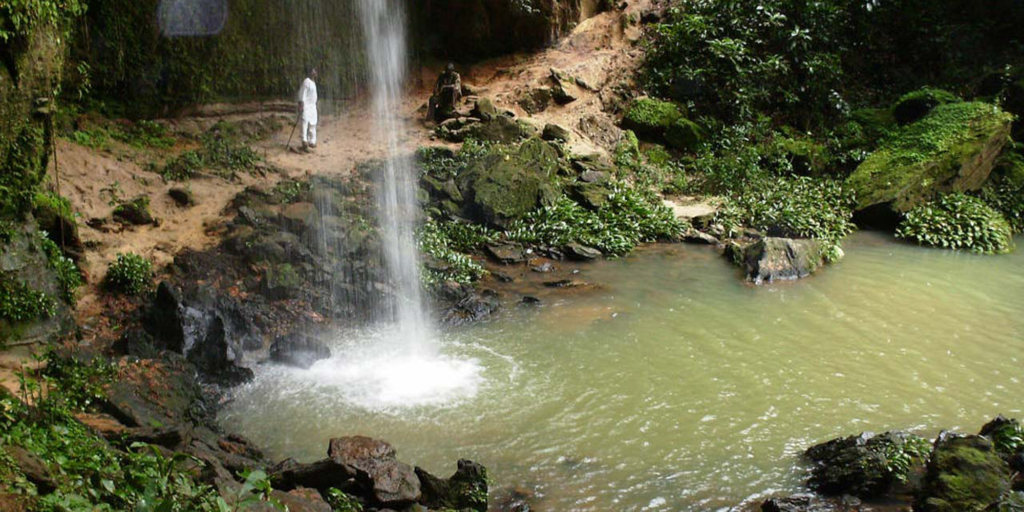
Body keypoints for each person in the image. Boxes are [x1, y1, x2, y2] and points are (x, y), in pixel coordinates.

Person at [297, 67, 318, 151]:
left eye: (315, 71)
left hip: (312, 106)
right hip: (306, 105)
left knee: (313, 123)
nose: (315, 72)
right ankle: (304, 140)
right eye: (313, 70)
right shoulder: (306, 81)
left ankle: (312, 141)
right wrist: (301, 104)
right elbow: (302, 93)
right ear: (310, 72)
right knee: (305, 122)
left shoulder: (313, 83)